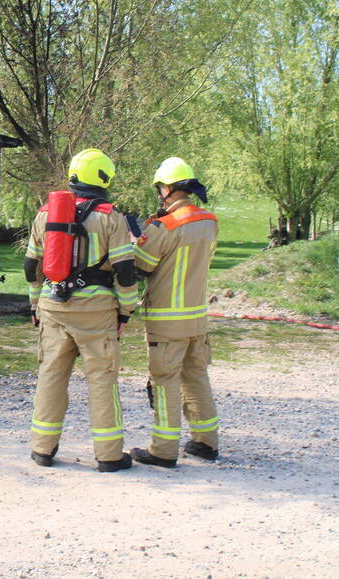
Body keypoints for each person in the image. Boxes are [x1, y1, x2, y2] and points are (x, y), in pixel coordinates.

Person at [24, 149, 140, 472]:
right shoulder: (110, 217)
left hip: (52, 307)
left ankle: (42, 449)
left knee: (51, 376)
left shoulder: (46, 213)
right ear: (103, 178)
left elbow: (30, 266)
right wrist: (126, 310)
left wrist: (35, 304)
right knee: (102, 380)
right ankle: (108, 456)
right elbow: (126, 270)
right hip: (96, 312)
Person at [130, 157, 220, 468]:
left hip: (167, 320)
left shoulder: (164, 225)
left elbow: (141, 265)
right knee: (196, 376)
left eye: (160, 189)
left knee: (165, 380)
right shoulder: (209, 219)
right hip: (197, 317)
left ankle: (163, 450)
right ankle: (206, 442)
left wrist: (136, 240)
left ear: (167, 188)